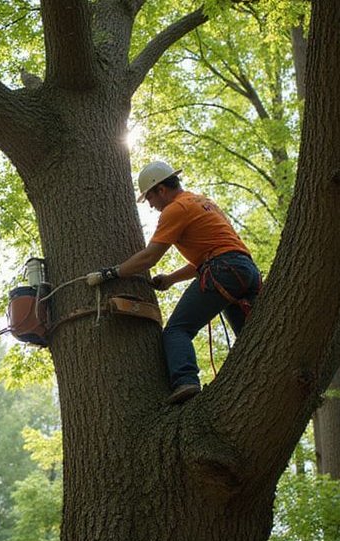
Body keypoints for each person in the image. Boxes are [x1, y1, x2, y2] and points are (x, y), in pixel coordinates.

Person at [87, 160, 262, 404]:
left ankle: (185, 381)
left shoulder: (175, 209)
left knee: (177, 331)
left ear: (161, 189)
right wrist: (170, 280)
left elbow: (150, 257)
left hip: (223, 270)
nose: (151, 205)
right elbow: (206, 259)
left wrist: (112, 273)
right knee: (254, 341)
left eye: (149, 198)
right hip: (245, 272)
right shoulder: (203, 203)